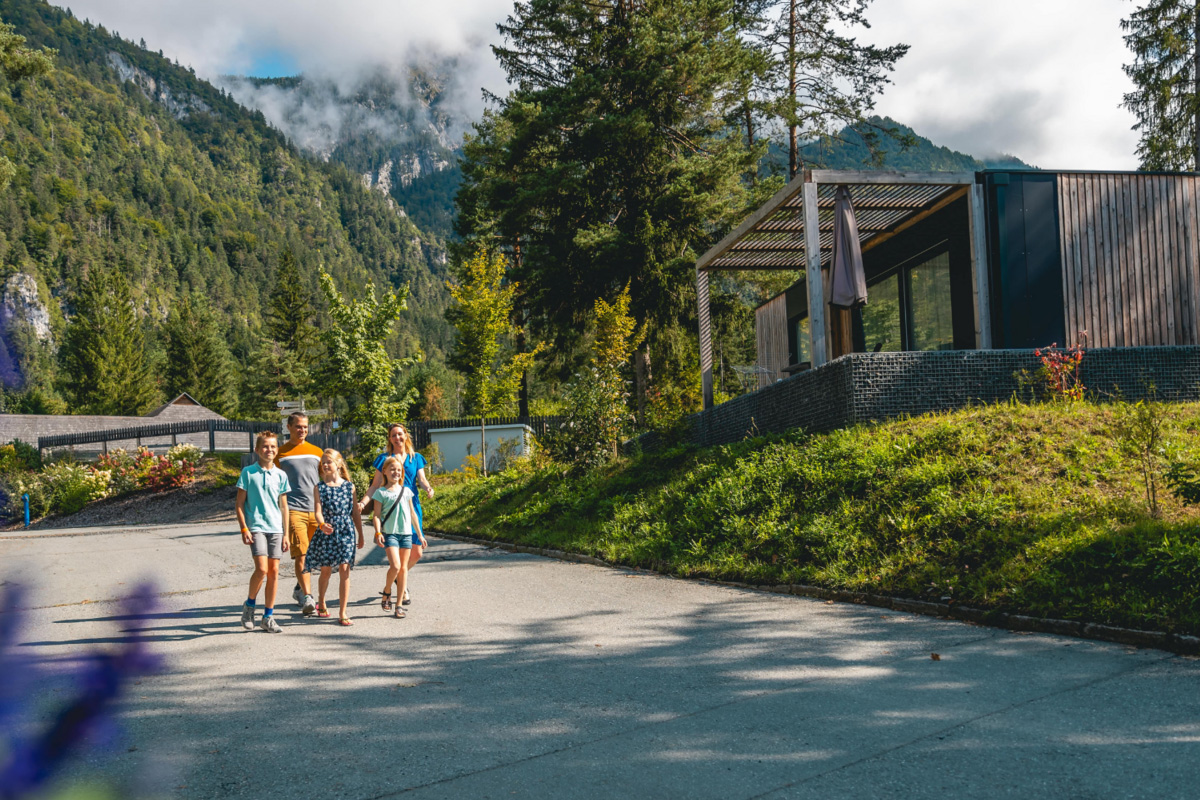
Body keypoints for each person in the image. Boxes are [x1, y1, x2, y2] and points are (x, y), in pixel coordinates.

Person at [358, 423, 434, 609]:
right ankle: (402, 584)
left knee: (417, 552)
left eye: (400, 434)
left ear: (406, 435)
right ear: (390, 439)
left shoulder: (415, 458)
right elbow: (375, 485)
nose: (397, 438)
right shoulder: (384, 459)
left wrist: (428, 488)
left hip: (411, 506)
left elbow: (422, 480)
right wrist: (363, 502)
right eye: (393, 435)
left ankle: (399, 577)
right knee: (399, 556)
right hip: (392, 507)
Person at [236, 431, 291, 633]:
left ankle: (268, 616)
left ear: (277, 450)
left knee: (274, 572)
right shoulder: (248, 472)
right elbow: (239, 504)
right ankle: (249, 606)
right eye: (265, 446)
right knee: (262, 569)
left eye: (273, 447)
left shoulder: (281, 475)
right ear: (257, 450)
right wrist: (244, 527)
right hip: (256, 526)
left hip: (276, 528)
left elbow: (284, 507)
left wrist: (286, 534)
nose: (269, 450)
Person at [306, 449, 365, 625]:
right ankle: (321, 601)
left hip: (346, 530)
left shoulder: (349, 486)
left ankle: (343, 612)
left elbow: (355, 512)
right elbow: (317, 511)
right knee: (325, 571)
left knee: (344, 569)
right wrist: (322, 524)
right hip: (327, 531)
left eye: (328, 461)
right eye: (323, 462)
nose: (325, 465)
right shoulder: (319, 487)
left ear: (338, 464)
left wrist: (360, 534)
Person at [276, 412, 323, 616]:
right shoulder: (280, 453)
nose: (302, 430)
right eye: (298, 426)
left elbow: (326, 476)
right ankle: (308, 597)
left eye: (305, 427)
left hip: (317, 510)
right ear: (289, 427)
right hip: (294, 509)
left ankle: (298, 589)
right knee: (301, 554)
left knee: (314, 557)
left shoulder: (316, 451)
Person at [371, 456, 425, 619]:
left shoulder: (406, 491)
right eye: (392, 469)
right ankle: (387, 590)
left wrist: (420, 535)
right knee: (395, 566)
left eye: (399, 470)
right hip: (390, 533)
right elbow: (376, 516)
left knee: (403, 569)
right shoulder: (380, 493)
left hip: (406, 534)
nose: (396, 472)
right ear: (385, 472)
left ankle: (399, 605)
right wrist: (378, 532)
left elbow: (413, 514)